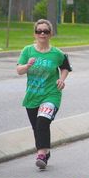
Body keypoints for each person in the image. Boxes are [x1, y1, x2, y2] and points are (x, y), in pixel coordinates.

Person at [17, 19, 72, 170]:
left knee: (42, 121)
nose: (42, 33)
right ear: (34, 34)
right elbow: (19, 70)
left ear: (51, 34)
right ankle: (45, 152)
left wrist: (61, 79)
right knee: (37, 127)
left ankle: (40, 155)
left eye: (45, 31)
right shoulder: (27, 51)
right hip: (32, 96)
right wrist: (27, 66)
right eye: (39, 31)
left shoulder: (57, 53)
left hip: (51, 94)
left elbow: (66, 67)